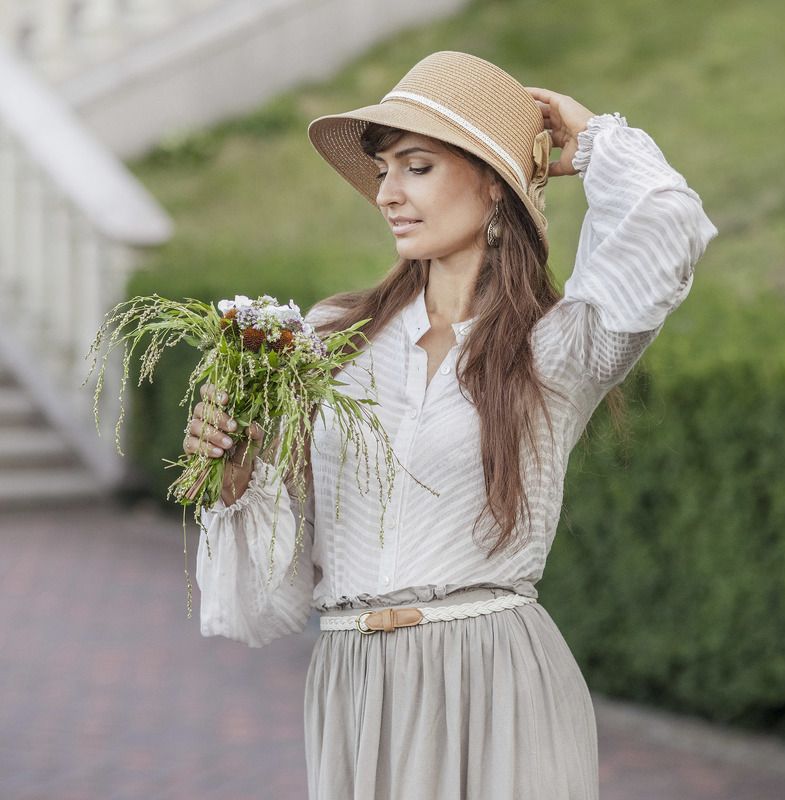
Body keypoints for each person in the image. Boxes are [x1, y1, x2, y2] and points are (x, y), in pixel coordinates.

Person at [182, 51, 717, 799]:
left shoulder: (556, 348)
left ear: (492, 184)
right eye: (383, 171)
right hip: (353, 687)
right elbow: (264, 605)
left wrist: (590, 135)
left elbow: (668, 226)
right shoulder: (327, 340)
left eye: (417, 166)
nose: (387, 194)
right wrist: (236, 473)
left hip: (495, 678)